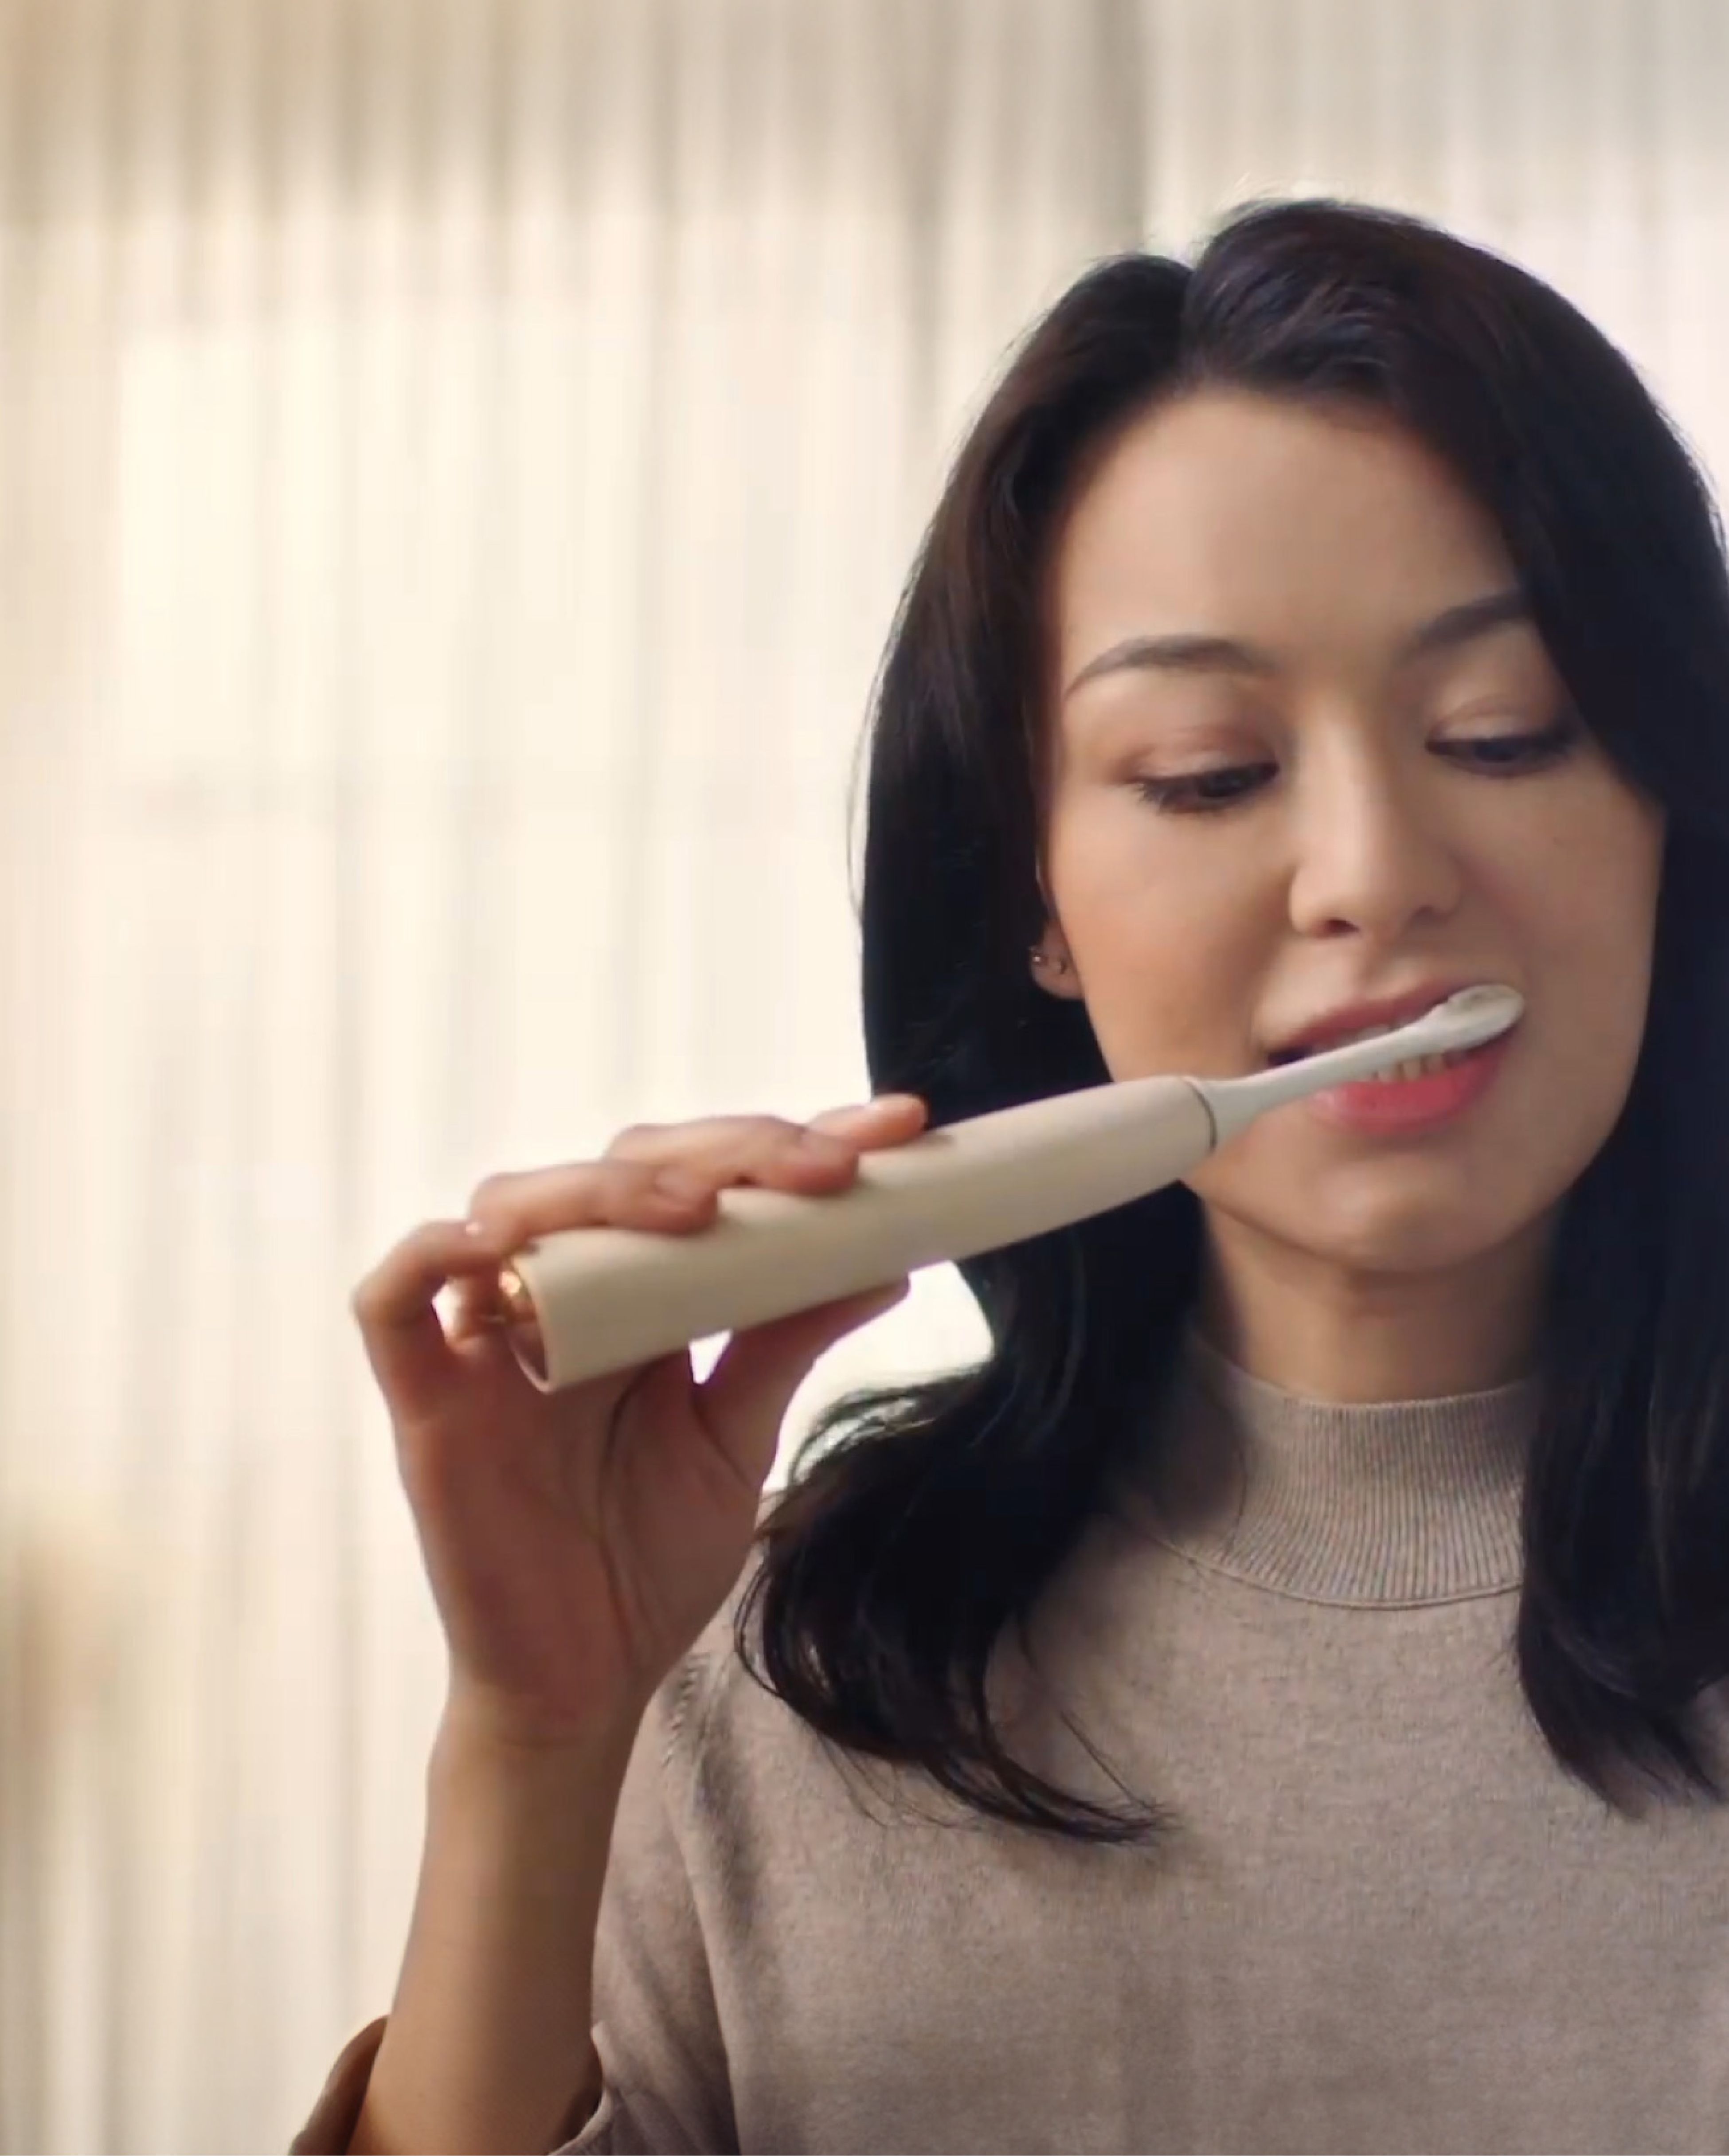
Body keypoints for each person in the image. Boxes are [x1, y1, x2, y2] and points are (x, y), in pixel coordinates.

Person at [293, 198, 1729, 2155]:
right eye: (1212, 772)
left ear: (1670, 802)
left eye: (1506, 727)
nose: (1374, 870)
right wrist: (538, 1745)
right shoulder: (811, 1665)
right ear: (1031, 895)